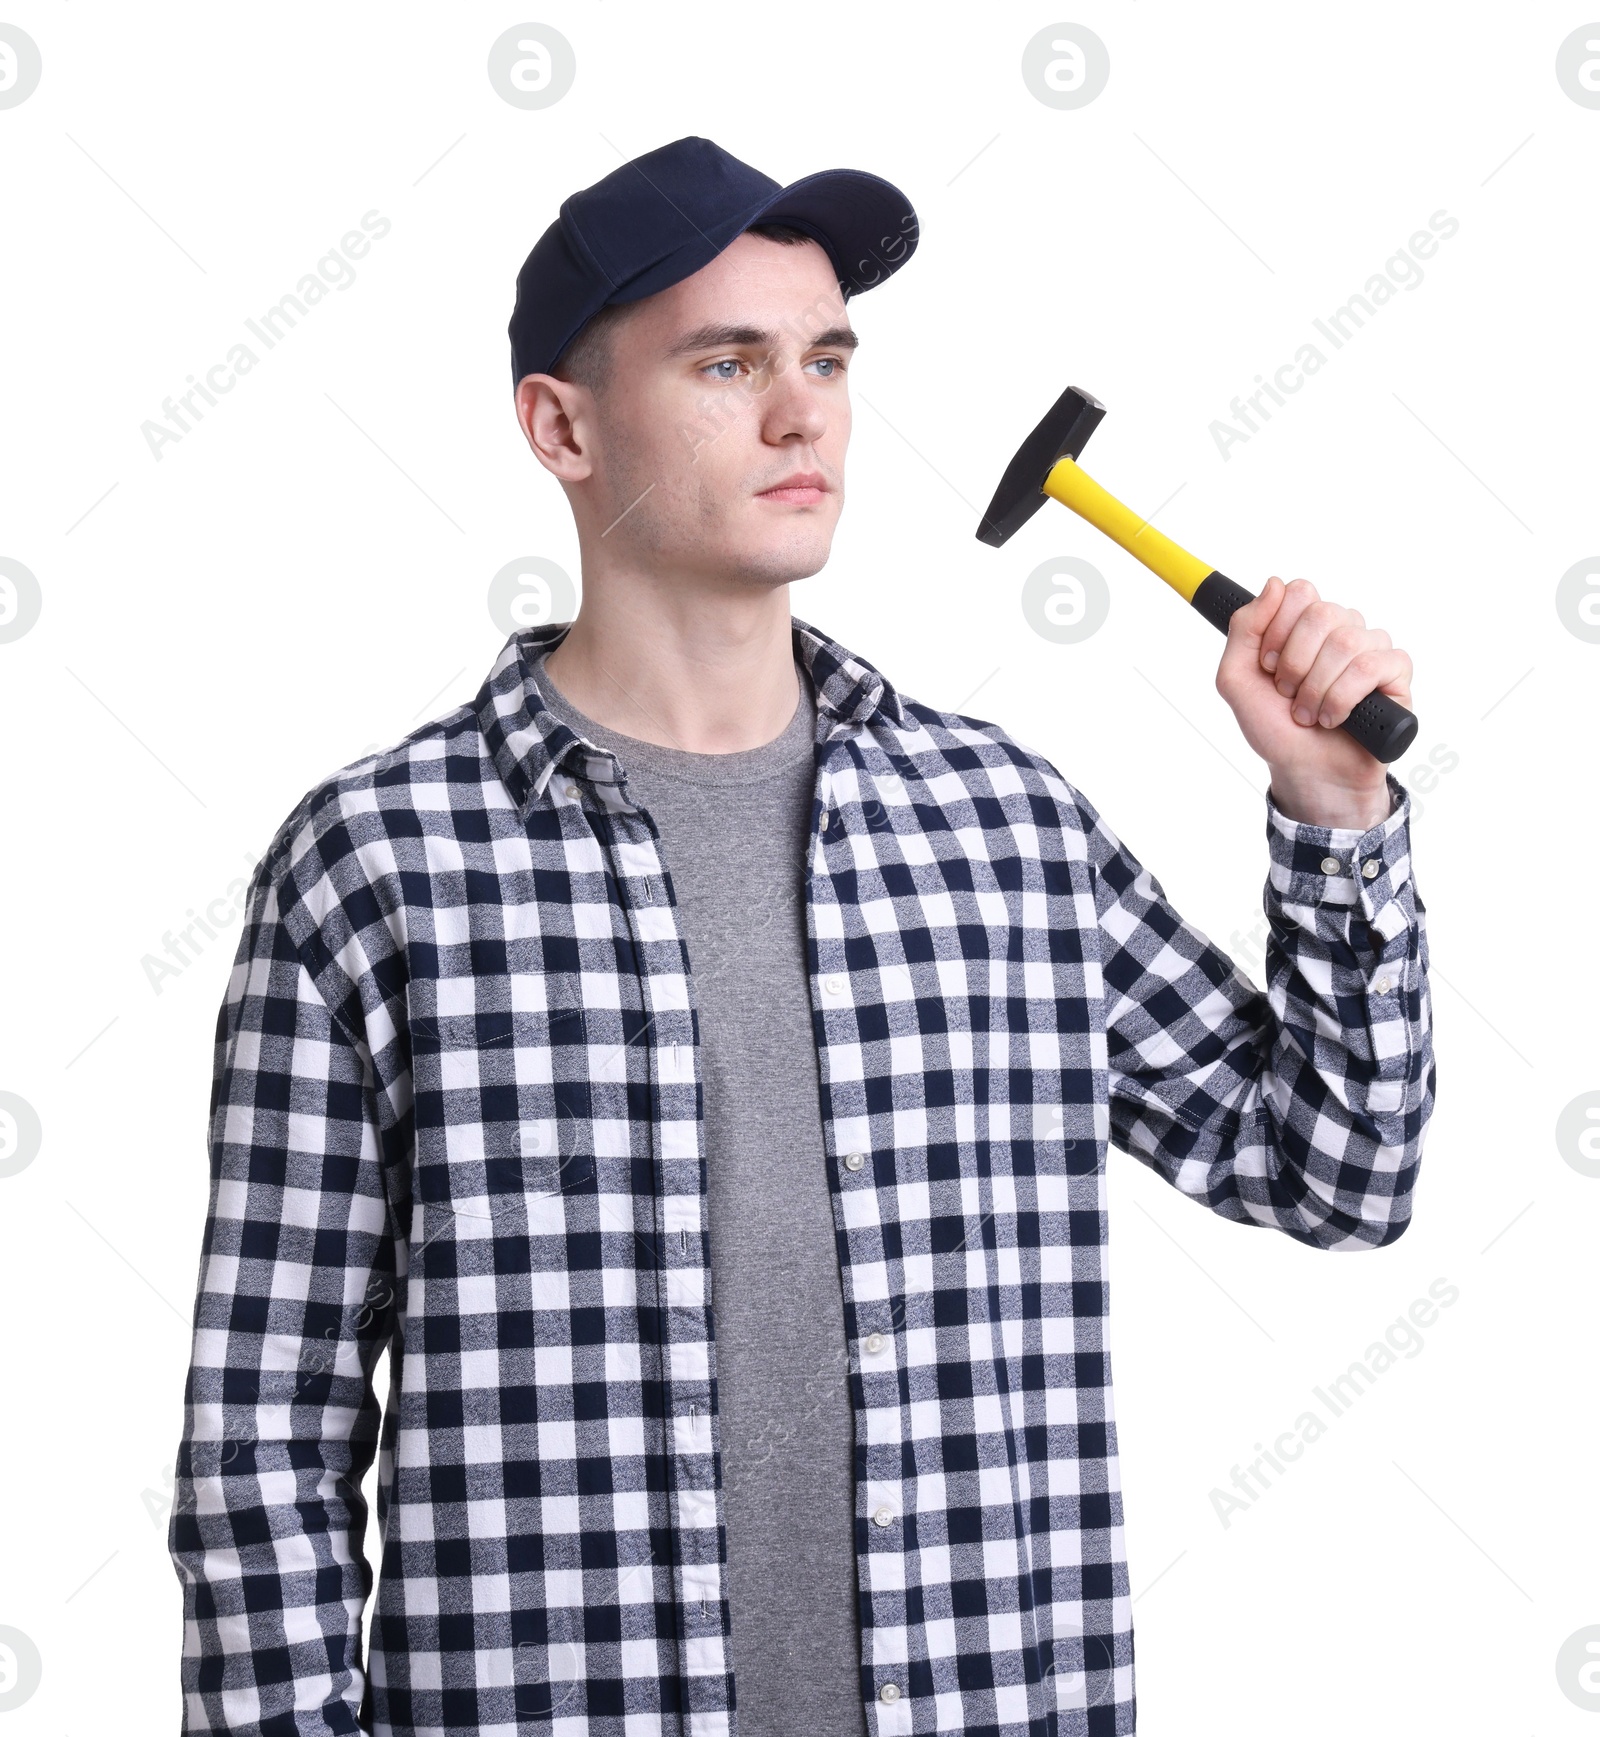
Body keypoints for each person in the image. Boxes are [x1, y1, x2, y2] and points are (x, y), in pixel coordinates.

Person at [169, 135, 1434, 1736]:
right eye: (727, 361)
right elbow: (262, 1442)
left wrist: (1333, 813)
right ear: (559, 424)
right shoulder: (378, 866)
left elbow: (1338, 1171)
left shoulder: (1005, 830)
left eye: (827, 356)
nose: (802, 412)